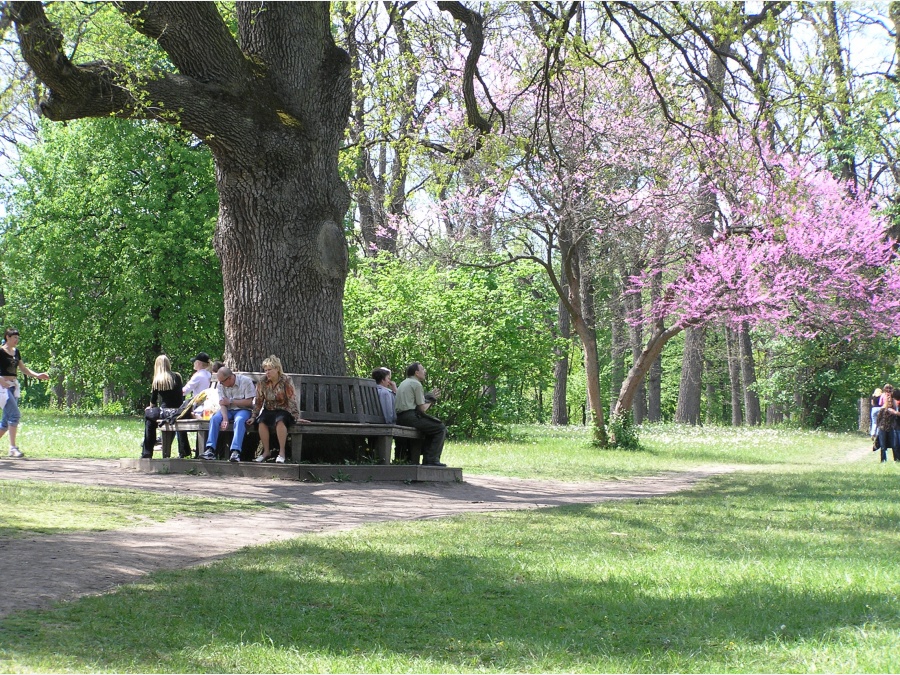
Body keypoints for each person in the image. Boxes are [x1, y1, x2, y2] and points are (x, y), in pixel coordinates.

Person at [0, 328, 50, 458]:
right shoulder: (0, 351)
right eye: (14, 337)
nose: (17, 340)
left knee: (5, 422)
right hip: (2, 388)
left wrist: (37, 375)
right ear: (7, 337)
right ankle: (12, 448)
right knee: (15, 415)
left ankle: (12, 448)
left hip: (12, 386)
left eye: (18, 338)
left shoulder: (16, 352)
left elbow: (23, 369)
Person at [249, 355, 307, 463]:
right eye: (265, 370)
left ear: (277, 369)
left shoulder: (286, 380)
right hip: (269, 409)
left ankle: (282, 452)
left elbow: (291, 399)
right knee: (261, 422)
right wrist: (254, 416)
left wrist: (296, 417)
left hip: (284, 410)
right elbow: (259, 400)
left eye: (270, 370)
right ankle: (266, 452)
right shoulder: (262, 381)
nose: (267, 372)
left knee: (280, 420)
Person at [395, 361, 447, 467]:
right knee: (440, 428)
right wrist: (432, 400)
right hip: (410, 418)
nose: (424, 371)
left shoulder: (404, 382)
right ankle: (431, 459)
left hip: (400, 418)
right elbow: (422, 408)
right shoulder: (416, 384)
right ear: (416, 373)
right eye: (422, 369)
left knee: (430, 428)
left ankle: (427, 458)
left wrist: (428, 398)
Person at [200, 366, 256, 462]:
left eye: (222, 381)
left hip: (243, 409)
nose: (220, 383)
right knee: (215, 419)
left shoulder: (245, 381)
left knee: (239, 420)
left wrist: (231, 401)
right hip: (227, 410)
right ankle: (210, 450)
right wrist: (225, 419)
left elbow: (249, 402)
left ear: (230, 378)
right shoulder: (221, 385)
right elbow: (222, 404)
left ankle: (235, 451)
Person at [142, 354, 190, 459]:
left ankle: (147, 451)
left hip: (165, 411)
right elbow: (181, 395)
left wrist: (150, 408)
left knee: (149, 418)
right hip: (179, 411)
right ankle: (184, 451)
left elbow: (153, 400)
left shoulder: (157, 380)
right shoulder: (177, 376)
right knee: (179, 426)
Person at [875, 388, 900, 463]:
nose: (890, 403)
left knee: (894, 445)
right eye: (888, 401)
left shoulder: (894, 410)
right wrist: (876, 430)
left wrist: (894, 412)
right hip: (882, 428)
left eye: (891, 402)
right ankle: (883, 460)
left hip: (891, 429)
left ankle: (897, 459)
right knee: (883, 446)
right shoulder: (882, 409)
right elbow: (878, 420)